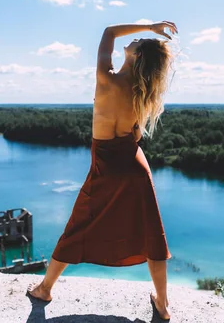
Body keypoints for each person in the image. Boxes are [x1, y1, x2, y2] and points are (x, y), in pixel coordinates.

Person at [28, 21, 178, 320]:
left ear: (135, 56)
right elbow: (134, 136)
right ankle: (162, 304)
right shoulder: (141, 91)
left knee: (78, 226)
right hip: (135, 165)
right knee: (152, 235)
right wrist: (151, 32)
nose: (134, 39)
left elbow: (109, 32)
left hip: (106, 165)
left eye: (137, 41)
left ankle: (44, 289)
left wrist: (150, 26)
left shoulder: (106, 79)